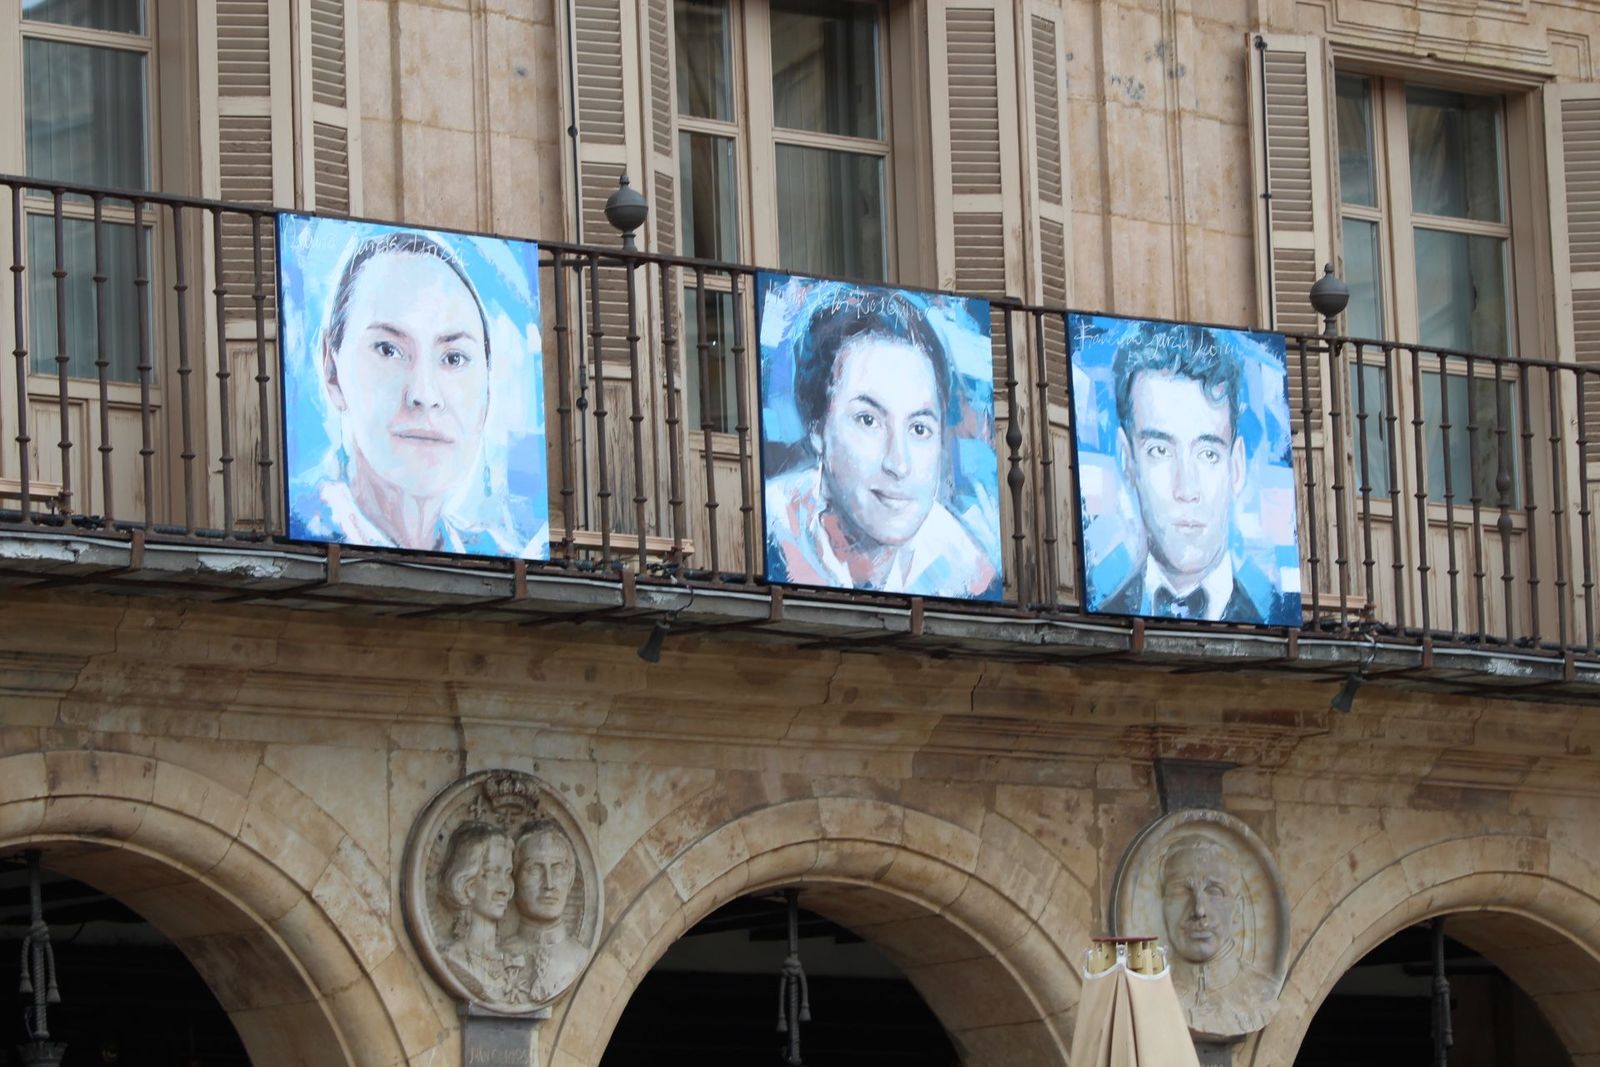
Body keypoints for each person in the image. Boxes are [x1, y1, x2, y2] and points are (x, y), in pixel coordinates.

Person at [291, 229, 537, 556]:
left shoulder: (501, 555)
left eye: (453, 358)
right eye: (388, 350)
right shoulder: (305, 525)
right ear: (332, 371)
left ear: (487, 390)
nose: (424, 393)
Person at [764, 289, 1000, 598]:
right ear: (818, 428)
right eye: (868, 420)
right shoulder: (772, 529)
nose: (898, 464)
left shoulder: (963, 568)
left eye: (919, 428)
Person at [1097, 324, 1285, 623]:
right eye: (1160, 450)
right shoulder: (1107, 612)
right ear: (1127, 459)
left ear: (1236, 467)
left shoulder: (1268, 616)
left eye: (1208, 454)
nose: (1186, 488)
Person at [1159, 834, 1279, 1037]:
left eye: (1214, 891)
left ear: (1238, 909)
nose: (1199, 910)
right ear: (1162, 906)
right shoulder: (1149, 998)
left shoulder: (1261, 995)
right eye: (1181, 891)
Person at [501, 822, 588, 1003]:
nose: (548, 884)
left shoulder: (580, 957)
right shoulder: (499, 955)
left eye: (558, 869)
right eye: (534, 869)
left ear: (570, 878)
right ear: (514, 878)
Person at [436, 822, 518, 1003]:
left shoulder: (513, 962)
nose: (504, 889)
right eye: (492, 873)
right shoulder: (453, 958)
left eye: (507, 873)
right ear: (468, 884)